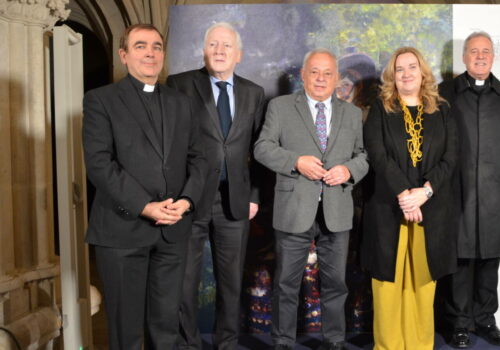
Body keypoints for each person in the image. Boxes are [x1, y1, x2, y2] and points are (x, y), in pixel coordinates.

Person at [82, 24, 206, 350]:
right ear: (124, 55)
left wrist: (187, 201)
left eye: (156, 46)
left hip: (173, 230)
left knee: (166, 326)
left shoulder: (183, 103)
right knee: (126, 329)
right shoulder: (100, 100)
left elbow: (200, 158)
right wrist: (145, 206)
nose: (150, 53)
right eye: (140, 46)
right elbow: (99, 164)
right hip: (123, 229)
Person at [254, 49, 369, 350]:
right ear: (303, 75)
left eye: (327, 73)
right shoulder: (279, 107)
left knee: (336, 284)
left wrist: (348, 170)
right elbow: (262, 148)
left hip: (337, 210)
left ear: (335, 78)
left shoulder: (352, 114)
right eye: (314, 72)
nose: (321, 78)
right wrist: (296, 162)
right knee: (285, 284)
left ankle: (334, 341)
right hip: (294, 209)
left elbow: (363, 157)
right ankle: (282, 342)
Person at [166, 22, 266, 350]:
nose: (220, 51)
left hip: (235, 202)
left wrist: (254, 196)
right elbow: (168, 145)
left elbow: (258, 149)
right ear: (204, 51)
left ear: (239, 54)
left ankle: (227, 343)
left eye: (226, 46)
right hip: (189, 199)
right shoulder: (179, 85)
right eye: (213, 45)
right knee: (185, 282)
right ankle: (188, 344)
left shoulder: (254, 93)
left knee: (232, 282)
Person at [362, 46, 458, 350]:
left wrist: (424, 193)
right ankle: (388, 346)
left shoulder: (442, 109)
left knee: (423, 283)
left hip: (432, 208)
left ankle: (419, 345)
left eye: (412, 67)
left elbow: (451, 157)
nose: (406, 74)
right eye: (399, 69)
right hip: (390, 207)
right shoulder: (380, 108)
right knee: (387, 284)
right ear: (392, 75)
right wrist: (405, 195)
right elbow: (377, 155)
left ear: (423, 72)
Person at [439, 31, 500, 348]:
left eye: (486, 51)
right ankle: (458, 323)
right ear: (464, 56)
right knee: (459, 261)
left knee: (489, 260)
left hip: (494, 193)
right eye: (474, 51)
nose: (480, 56)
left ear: (494, 56)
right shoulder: (445, 94)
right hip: (455, 192)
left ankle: (486, 320)